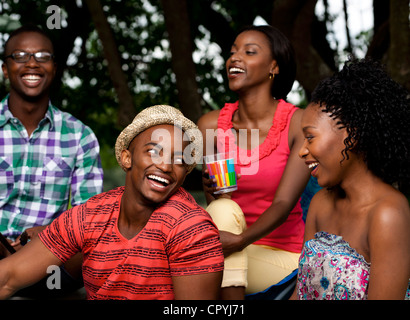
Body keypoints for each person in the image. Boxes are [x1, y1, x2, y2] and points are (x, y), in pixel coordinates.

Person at [0, 104, 224, 300]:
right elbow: (9, 277)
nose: (165, 166)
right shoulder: (89, 215)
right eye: (154, 152)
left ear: (185, 173)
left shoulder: (192, 228)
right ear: (127, 158)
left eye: (178, 160)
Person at [197, 25, 311, 299]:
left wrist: (240, 241)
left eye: (249, 52)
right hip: (226, 246)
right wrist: (211, 192)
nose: (234, 58)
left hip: (281, 255)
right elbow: (218, 205)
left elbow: (283, 204)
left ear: (274, 67)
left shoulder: (298, 123)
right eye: (233, 51)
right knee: (223, 207)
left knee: (198, 268)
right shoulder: (210, 125)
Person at [291, 57, 410, 300]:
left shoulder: (388, 214)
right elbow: (299, 292)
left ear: (352, 134)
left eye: (310, 137)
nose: (302, 150)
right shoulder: (320, 203)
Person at [0, 24, 103, 296]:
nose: (32, 63)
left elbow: (88, 216)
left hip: (49, 257)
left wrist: (49, 233)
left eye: (43, 56)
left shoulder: (80, 135)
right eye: (20, 55)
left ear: (54, 68)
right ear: (4, 68)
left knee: (94, 244)